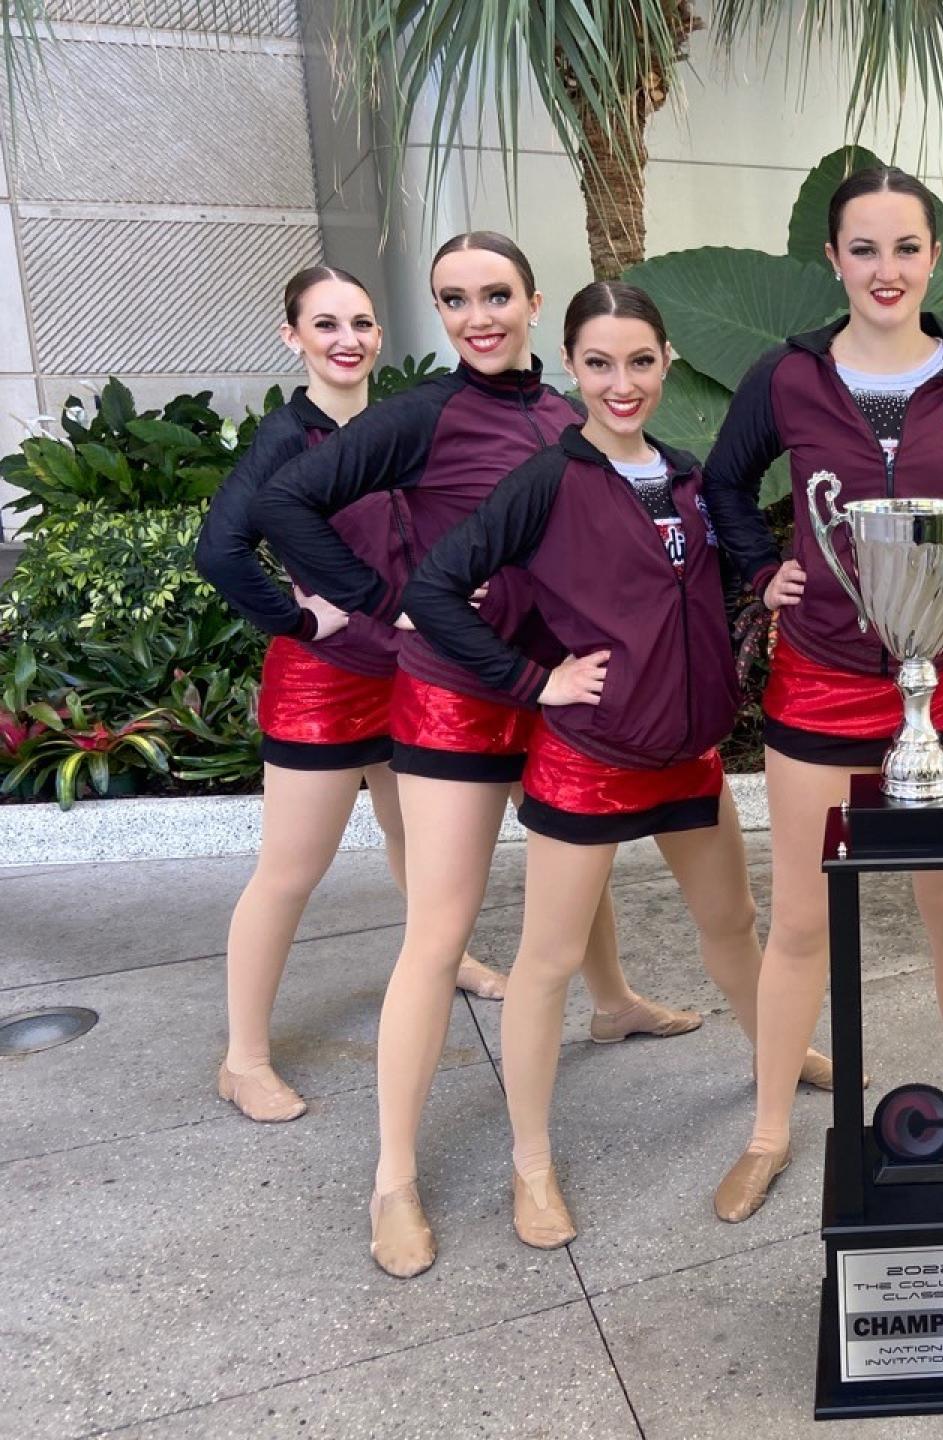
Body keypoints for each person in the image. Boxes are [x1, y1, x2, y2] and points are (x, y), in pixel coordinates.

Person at [253, 234, 699, 1277]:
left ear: (535, 301)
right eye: (454, 301)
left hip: (555, 697)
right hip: (457, 703)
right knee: (437, 932)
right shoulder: (421, 414)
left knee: (577, 890)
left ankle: (616, 1001)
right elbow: (283, 506)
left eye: (496, 294)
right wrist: (381, 603)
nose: (478, 316)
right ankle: (393, 1180)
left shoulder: (566, 415)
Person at [403, 281, 834, 1248]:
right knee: (547, 964)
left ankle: (777, 1050)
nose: (622, 382)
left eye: (639, 360)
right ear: (572, 369)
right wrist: (532, 680)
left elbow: (723, 571)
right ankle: (531, 1167)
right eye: (599, 363)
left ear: (668, 360)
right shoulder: (547, 479)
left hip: (689, 753)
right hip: (589, 758)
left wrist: (771, 578)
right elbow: (434, 588)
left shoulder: (685, 475)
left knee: (736, 925)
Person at [700, 166, 943, 1221]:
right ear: (833, 260)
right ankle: (770, 1133)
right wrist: (764, 573)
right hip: (819, 682)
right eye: (864, 249)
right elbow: (727, 483)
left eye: (906, 248)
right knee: (802, 925)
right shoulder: (787, 377)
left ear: (934, 258)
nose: (886, 269)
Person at [195, 265, 506, 1124]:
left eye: (362, 323)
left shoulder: (393, 425)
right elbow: (220, 551)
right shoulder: (285, 439)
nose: (347, 340)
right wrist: (298, 623)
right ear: (292, 336)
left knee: (417, 839)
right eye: (325, 324)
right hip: (324, 688)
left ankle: (456, 957)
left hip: (409, 669)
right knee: (290, 873)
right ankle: (243, 1058)